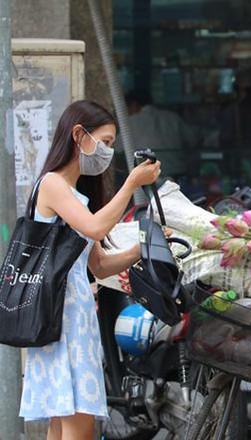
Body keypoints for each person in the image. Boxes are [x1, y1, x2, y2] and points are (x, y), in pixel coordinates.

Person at [18, 100, 162, 440]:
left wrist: (145, 247)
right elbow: (96, 228)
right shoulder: (53, 184)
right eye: (106, 142)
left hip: (75, 317)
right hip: (60, 319)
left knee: (64, 425)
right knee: (77, 424)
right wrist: (131, 183)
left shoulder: (78, 196)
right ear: (79, 135)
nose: (108, 152)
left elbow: (98, 265)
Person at [122, 89, 200, 179]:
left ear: (134, 105)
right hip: (178, 173)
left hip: (148, 177)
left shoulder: (130, 123)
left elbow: (117, 148)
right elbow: (193, 140)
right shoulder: (172, 118)